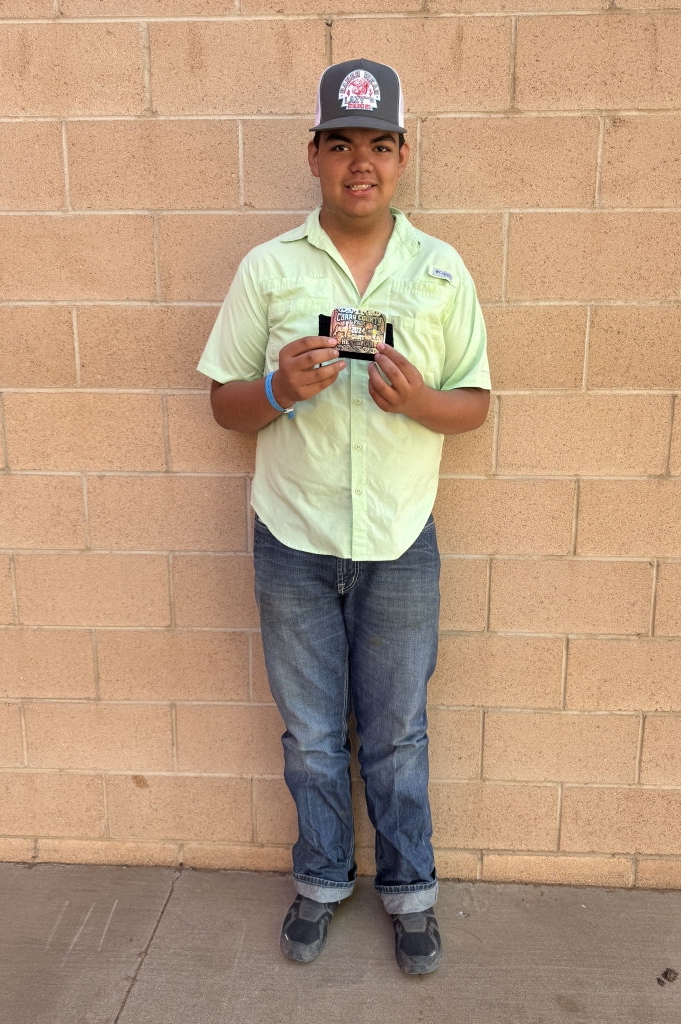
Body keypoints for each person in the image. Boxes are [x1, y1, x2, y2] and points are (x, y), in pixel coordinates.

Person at [197, 57, 491, 975]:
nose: (359, 162)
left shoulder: (441, 271)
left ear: (402, 157)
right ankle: (322, 880)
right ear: (314, 155)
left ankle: (411, 895)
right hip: (293, 540)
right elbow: (222, 404)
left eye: (378, 144)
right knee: (314, 735)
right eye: (340, 144)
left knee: (398, 733)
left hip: (401, 540)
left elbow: (476, 401)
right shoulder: (269, 268)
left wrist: (422, 405)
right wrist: (279, 390)